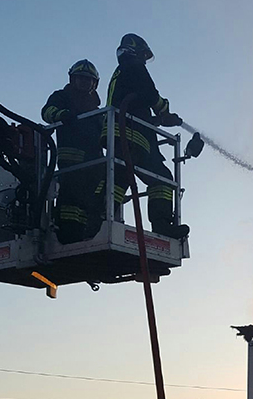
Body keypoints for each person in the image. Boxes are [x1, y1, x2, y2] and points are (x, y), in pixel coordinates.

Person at [99, 33, 189, 240]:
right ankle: (160, 224)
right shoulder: (134, 67)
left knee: (123, 177)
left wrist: (158, 120)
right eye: (142, 55)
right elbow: (150, 94)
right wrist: (164, 110)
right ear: (133, 51)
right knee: (158, 179)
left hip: (129, 134)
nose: (144, 60)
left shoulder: (122, 72)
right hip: (130, 134)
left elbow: (137, 103)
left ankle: (103, 215)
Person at [42, 59, 104, 244]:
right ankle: (69, 233)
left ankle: (88, 229)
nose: (85, 82)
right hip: (71, 158)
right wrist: (62, 114)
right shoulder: (62, 97)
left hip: (94, 161)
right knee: (71, 195)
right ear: (72, 79)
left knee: (94, 195)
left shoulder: (97, 109)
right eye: (81, 78)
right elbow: (47, 112)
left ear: (94, 83)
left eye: (89, 80)